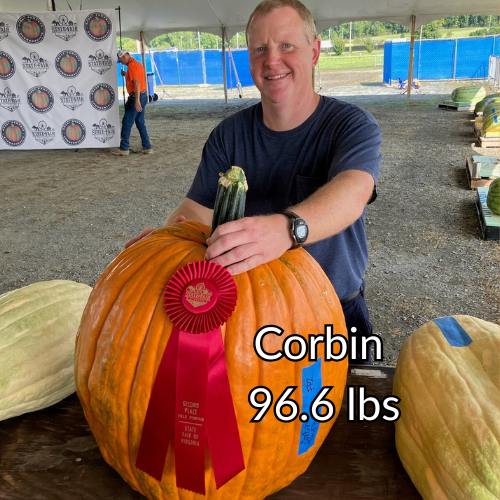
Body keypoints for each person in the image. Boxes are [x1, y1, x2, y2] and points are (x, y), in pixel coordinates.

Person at [128, 0, 382, 364]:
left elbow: (353, 192)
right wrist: (159, 245)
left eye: (286, 46)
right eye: (260, 49)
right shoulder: (227, 136)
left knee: (349, 418)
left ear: (314, 52)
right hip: (252, 317)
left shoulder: (351, 125)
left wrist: (286, 229)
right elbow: (194, 211)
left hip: (336, 312)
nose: (272, 60)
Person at [111, 49, 152, 156]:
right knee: (140, 122)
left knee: (127, 122)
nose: (121, 62)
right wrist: (126, 74)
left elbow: (137, 82)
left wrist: (136, 100)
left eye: (121, 60)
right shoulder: (137, 64)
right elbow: (137, 78)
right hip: (143, 94)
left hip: (135, 96)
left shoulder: (132, 66)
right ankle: (147, 147)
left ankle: (124, 148)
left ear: (124, 57)